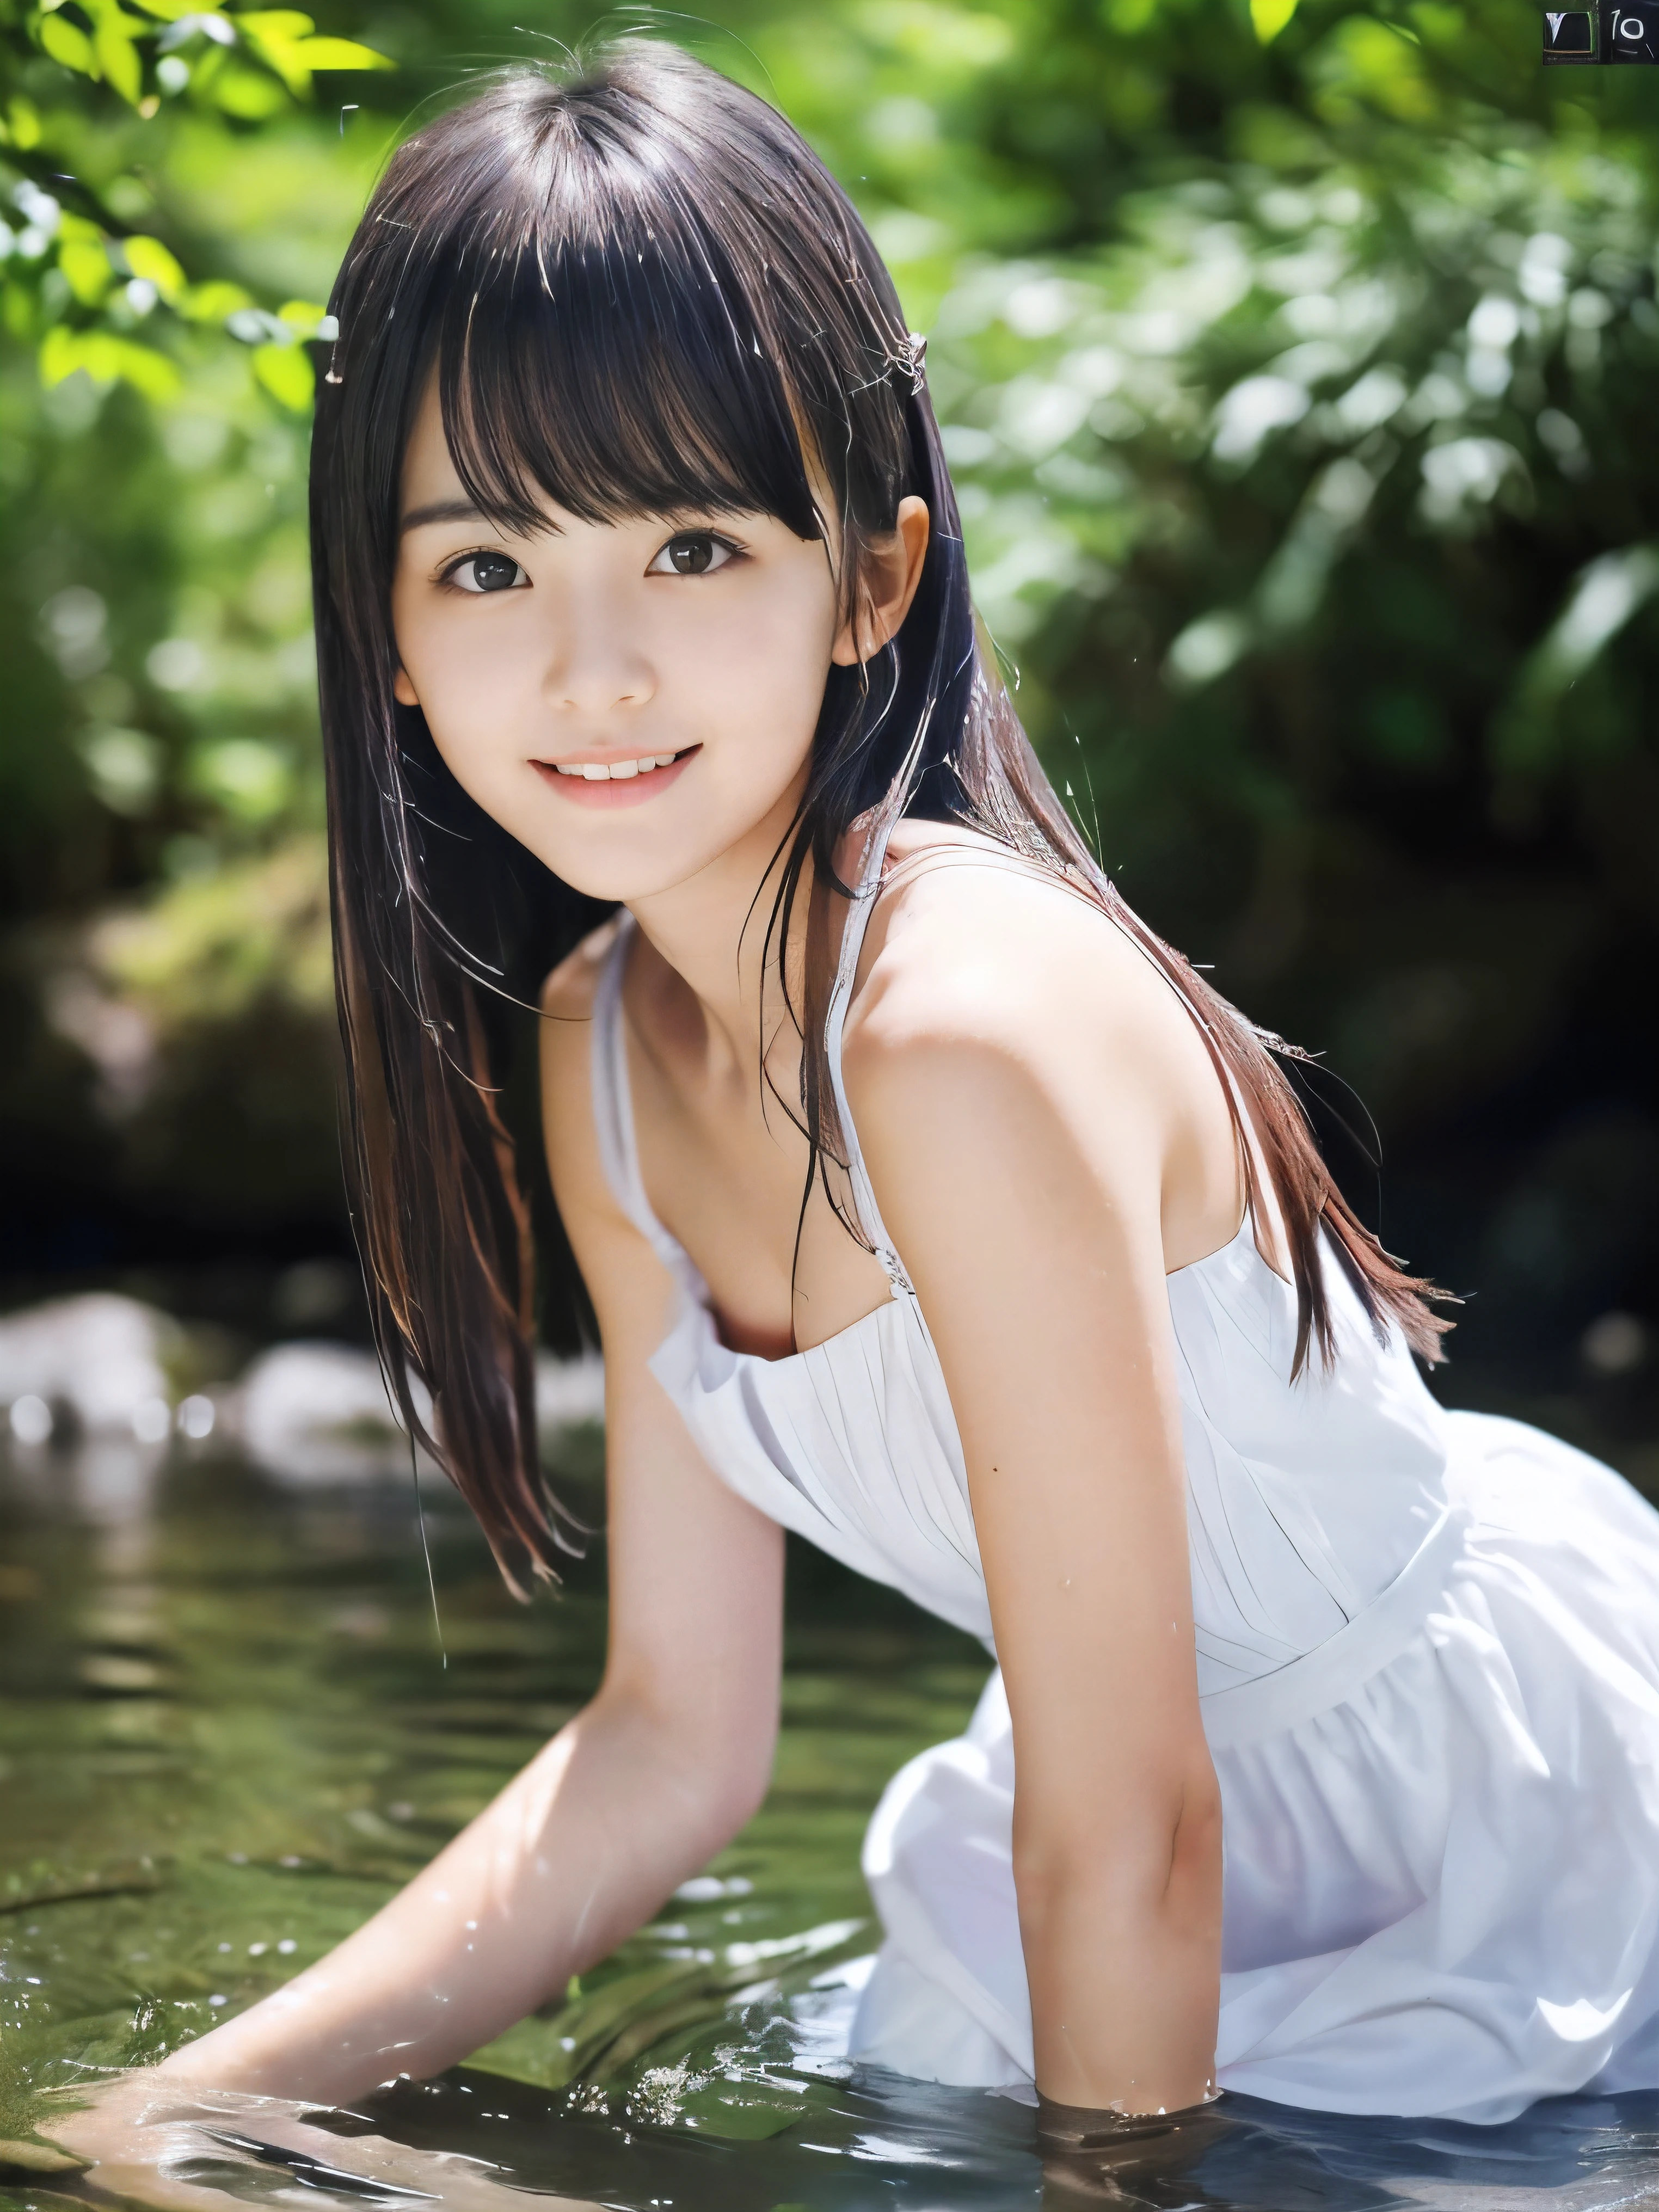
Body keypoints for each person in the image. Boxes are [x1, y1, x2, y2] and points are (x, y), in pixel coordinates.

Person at [53, 38, 1659, 2202]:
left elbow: (1139, 1816)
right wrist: (194, 2096)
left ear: (874, 579)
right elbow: (670, 1742)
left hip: (1501, 1824)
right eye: (490, 566)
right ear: (390, 633)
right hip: (1128, 1838)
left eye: (696, 544)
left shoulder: (957, 1040)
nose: (596, 669)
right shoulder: (605, 1042)